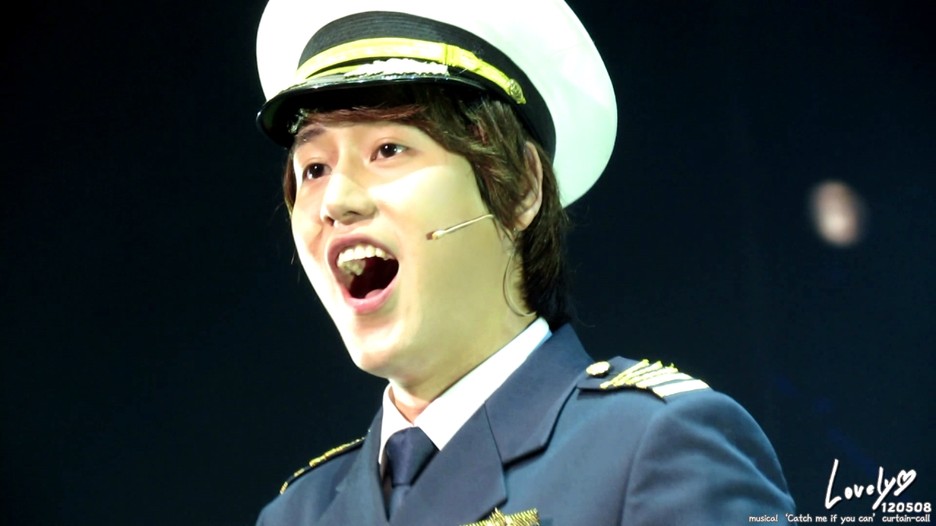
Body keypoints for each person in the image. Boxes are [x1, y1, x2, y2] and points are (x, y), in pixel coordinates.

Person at [253, 1, 796, 524]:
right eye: (314, 168)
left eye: (388, 150)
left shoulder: (654, 447)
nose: (335, 201)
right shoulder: (296, 513)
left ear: (520, 189)